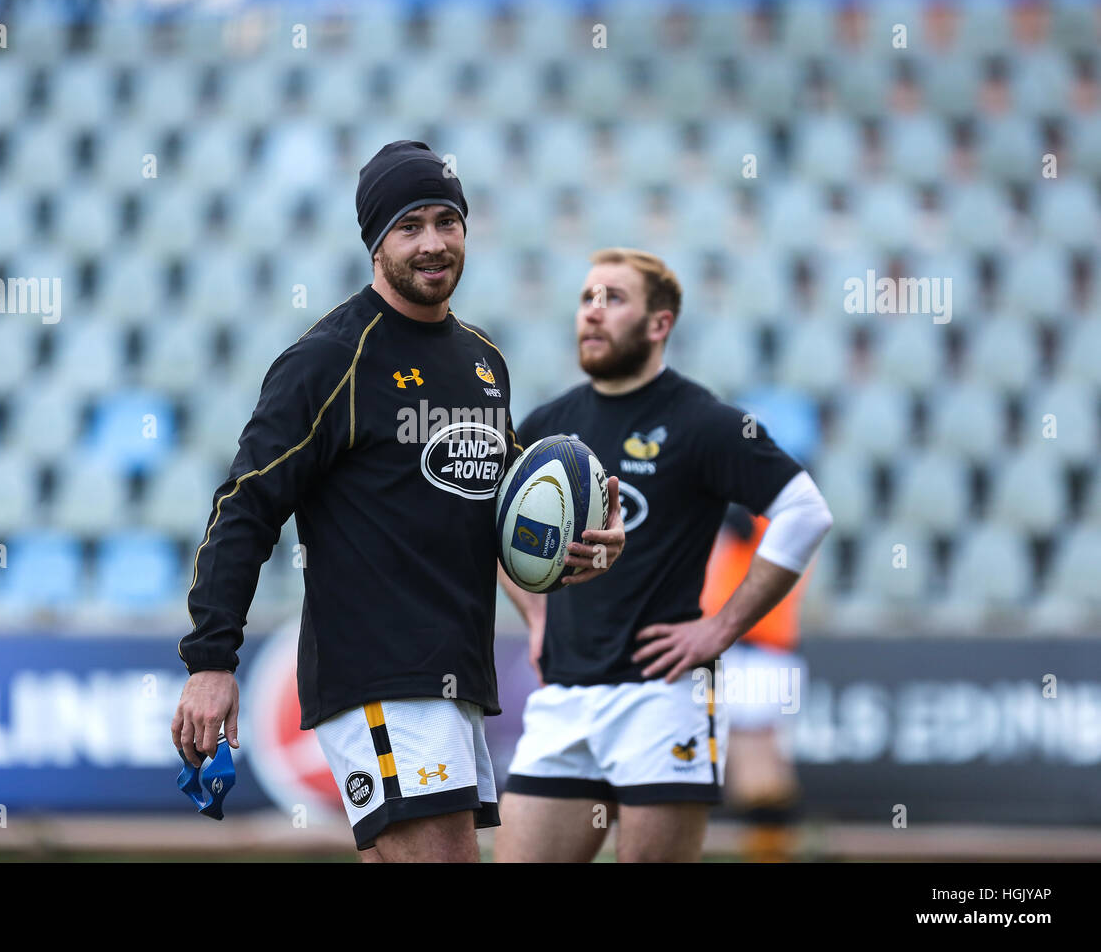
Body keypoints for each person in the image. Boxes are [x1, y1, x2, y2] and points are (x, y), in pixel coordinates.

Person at [171, 141, 625, 862]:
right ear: (375, 241)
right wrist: (209, 660)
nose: (434, 242)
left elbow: (504, 515)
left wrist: (576, 554)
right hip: (380, 672)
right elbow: (246, 504)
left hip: (455, 675)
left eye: (448, 221)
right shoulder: (329, 359)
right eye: (410, 225)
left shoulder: (483, 362)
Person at [495, 247, 832, 862]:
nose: (592, 315)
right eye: (586, 299)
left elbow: (806, 511)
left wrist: (721, 629)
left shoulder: (703, 421)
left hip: (664, 695)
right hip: (565, 696)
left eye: (613, 299)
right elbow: (498, 532)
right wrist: (538, 619)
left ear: (660, 324)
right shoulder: (548, 423)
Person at [705, 505, 810, 862]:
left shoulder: (763, 515)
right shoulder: (786, 517)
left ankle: (772, 851)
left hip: (756, 652)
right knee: (759, 761)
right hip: (759, 652)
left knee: (755, 767)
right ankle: (775, 846)